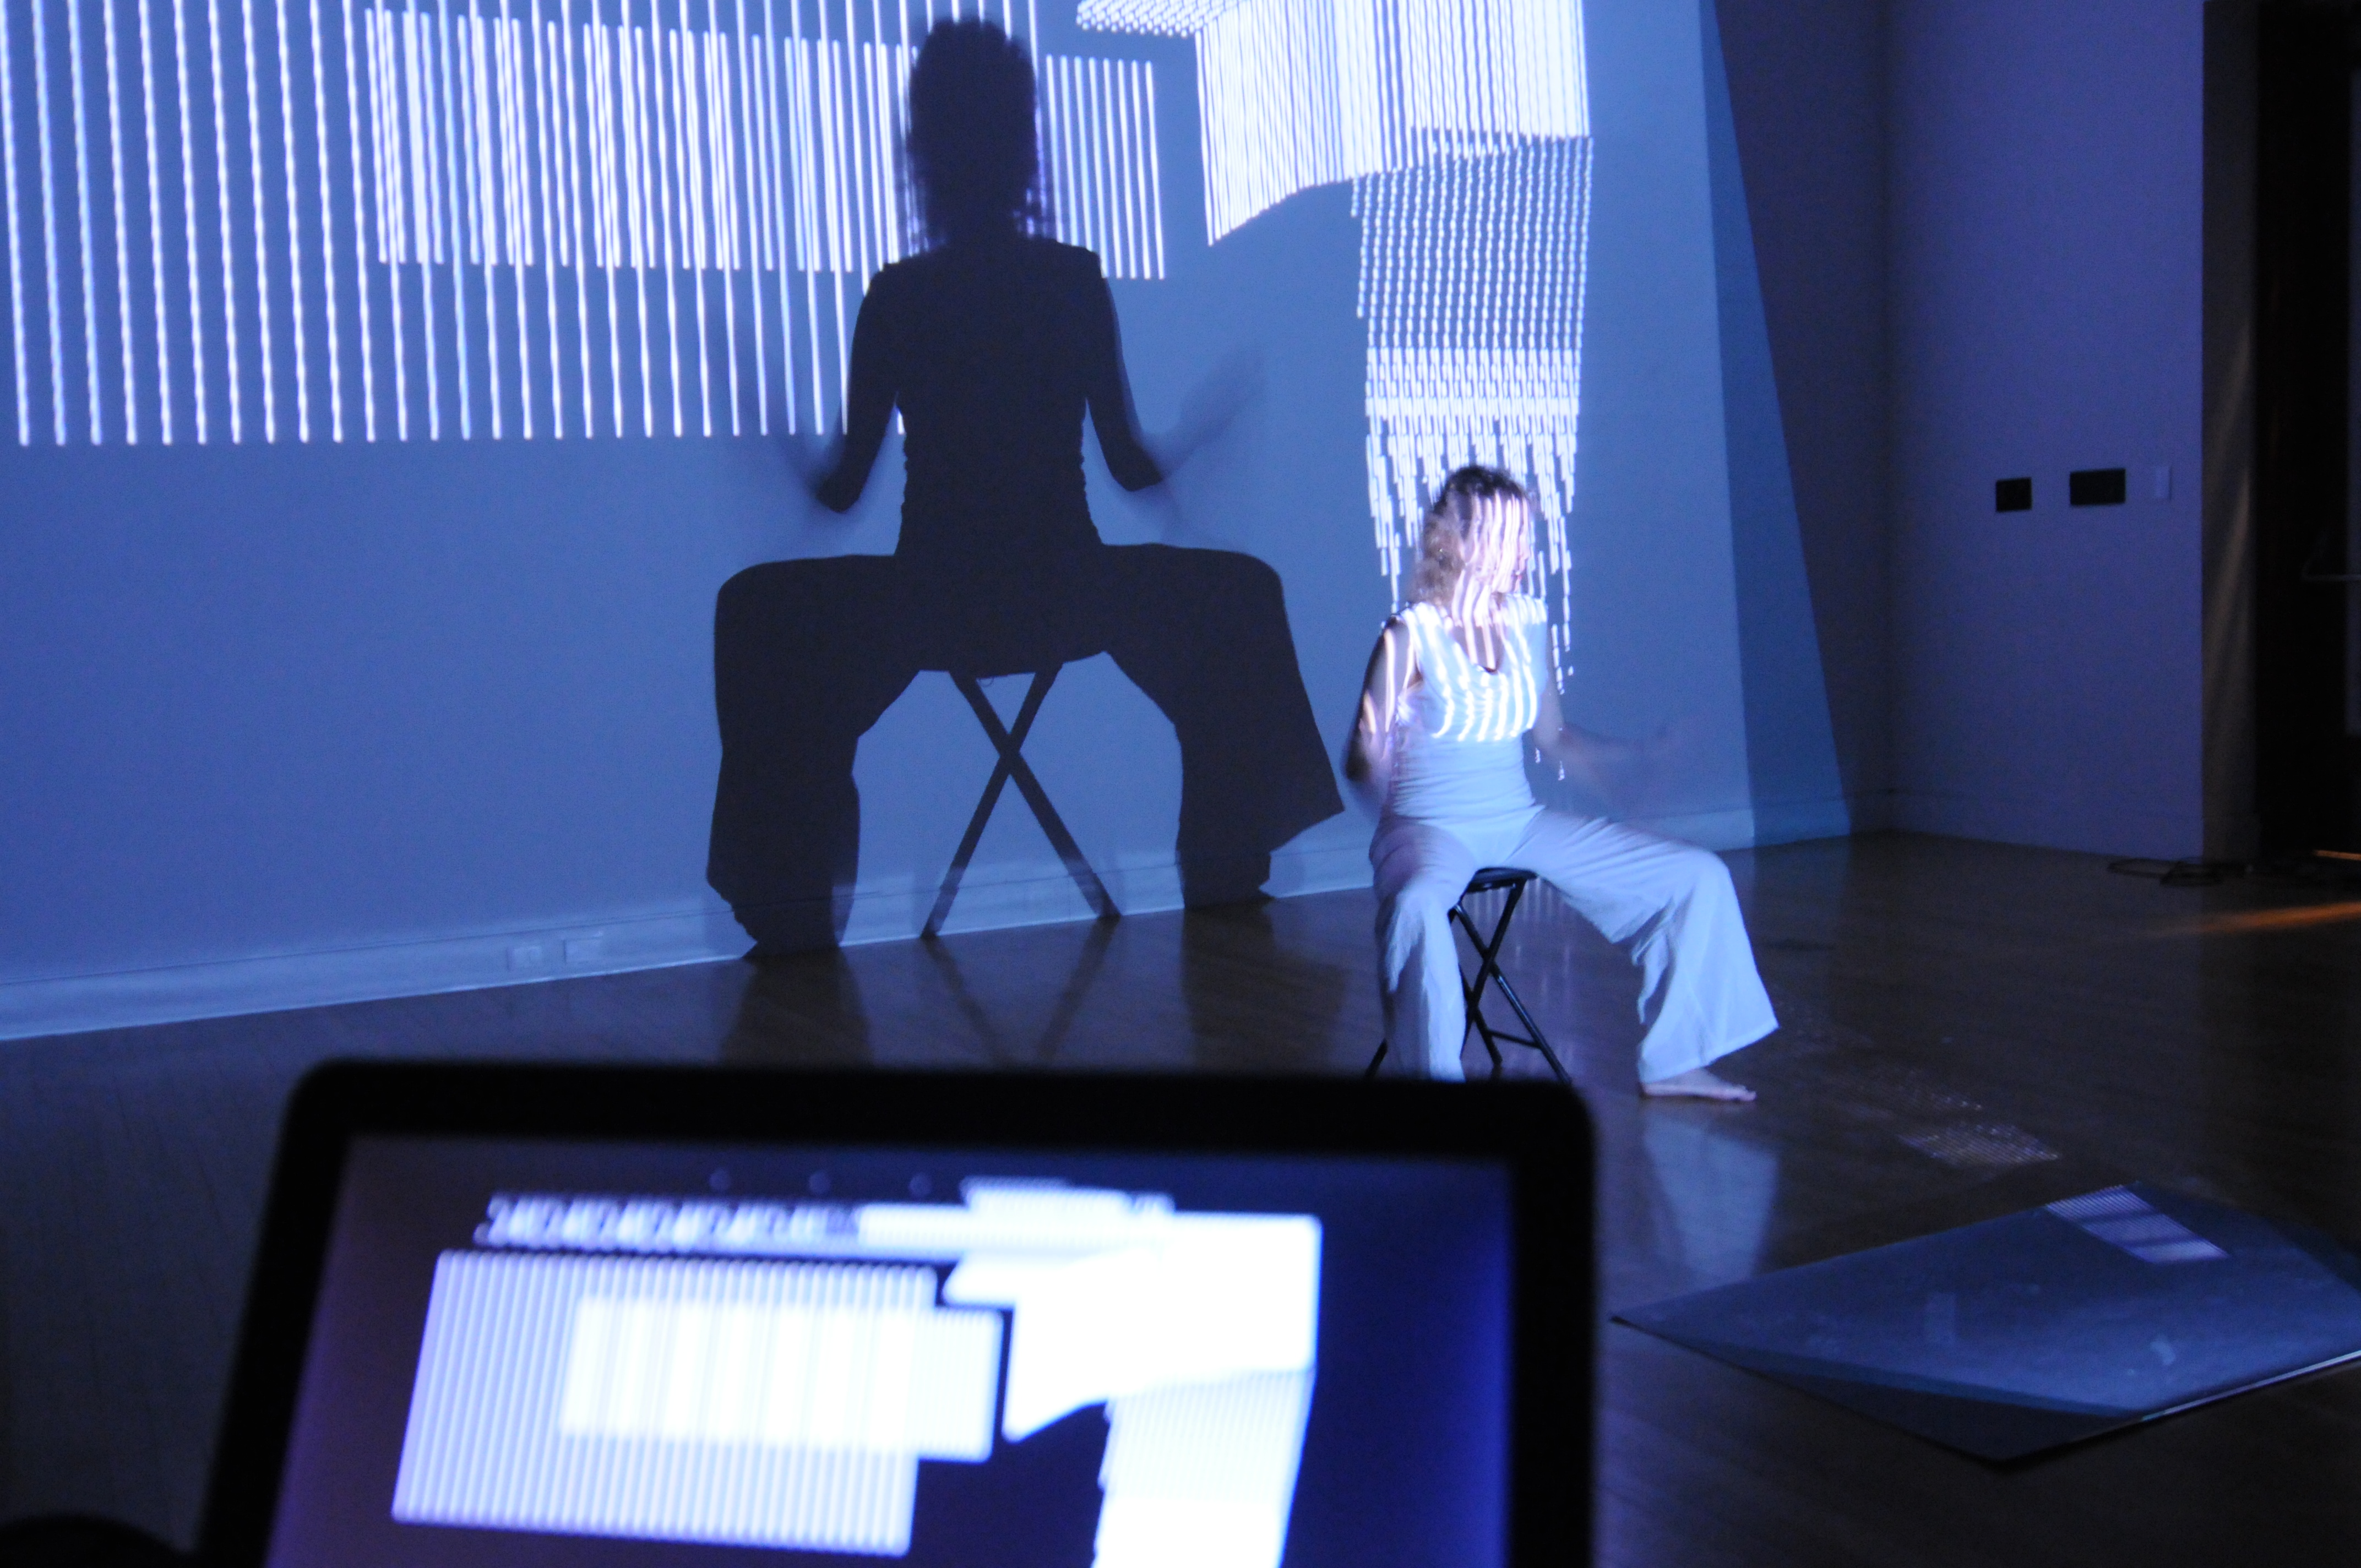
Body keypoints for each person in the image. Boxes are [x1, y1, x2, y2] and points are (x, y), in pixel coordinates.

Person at [708, 19, 1340, 952]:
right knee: (1242, 593)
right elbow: (1131, 470)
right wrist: (1201, 436)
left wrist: (776, 440)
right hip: (1066, 593)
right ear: (1023, 146)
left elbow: (840, 496)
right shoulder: (1069, 281)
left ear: (921, 151)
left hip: (931, 602)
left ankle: (790, 909)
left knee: (754, 611)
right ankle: (1224, 872)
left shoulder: (898, 297)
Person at [1344, 465, 1776, 1097]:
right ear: (1456, 542)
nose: (1523, 553)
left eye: (1526, 535)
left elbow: (1555, 738)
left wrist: (1635, 771)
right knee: (1416, 908)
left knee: (1696, 877)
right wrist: (1391, 807)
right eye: (1506, 537)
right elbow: (1362, 752)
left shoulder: (1527, 620)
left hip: (1517, 822)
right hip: (1428, 827)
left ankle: (1675, 1060)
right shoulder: (1410, 634)